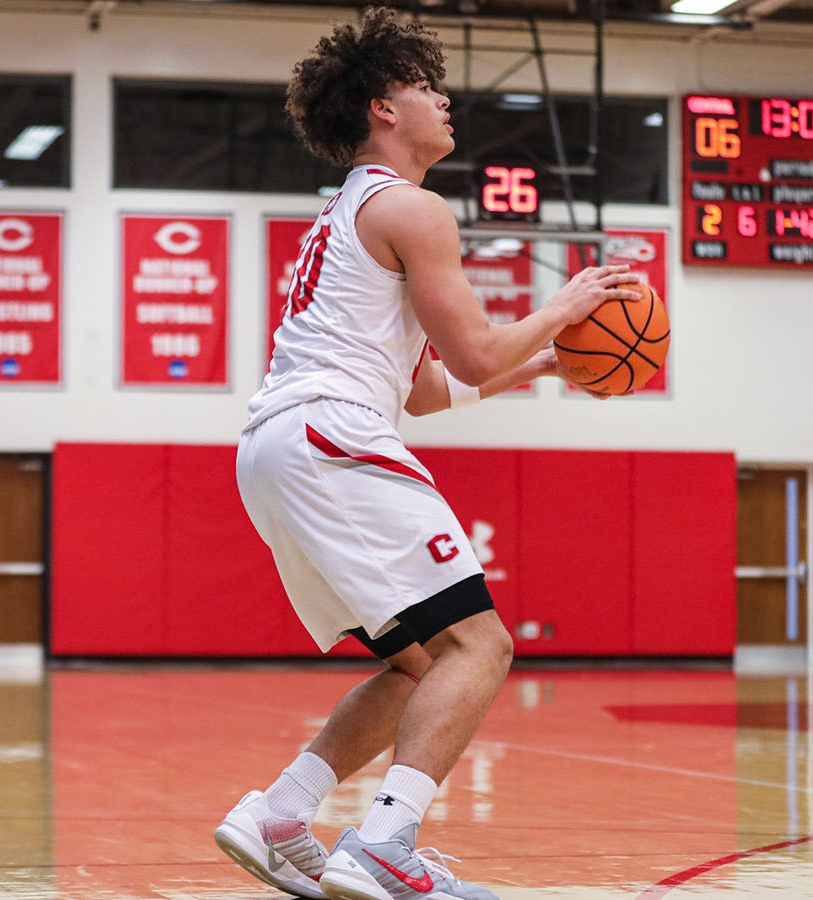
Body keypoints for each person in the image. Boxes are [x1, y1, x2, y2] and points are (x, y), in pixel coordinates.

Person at [213, 10, 640, 900]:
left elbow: (430, 388)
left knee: (419, 662)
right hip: (331, 436)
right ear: (383, 108)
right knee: (481, 646)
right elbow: (478, 349)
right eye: (424, 86)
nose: (444, 100)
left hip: (277, 448)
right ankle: (385, 845)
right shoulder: (411, 206)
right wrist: (563, 308)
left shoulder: (346, 216)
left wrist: (544, 367)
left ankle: (281, 814)